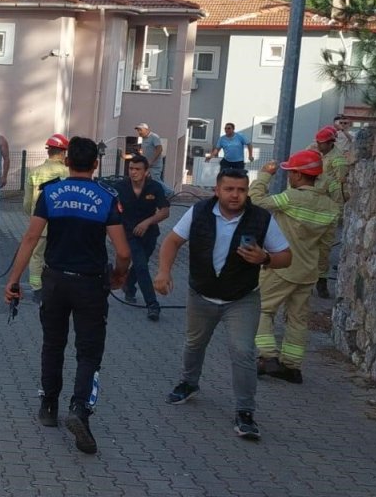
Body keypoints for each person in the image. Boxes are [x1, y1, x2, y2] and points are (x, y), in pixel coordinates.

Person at [4, 136, 130, 455]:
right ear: (96, 164)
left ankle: (48, 406)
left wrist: (13, 281)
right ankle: (80, 410)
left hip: (55, 281)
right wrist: (118, 275)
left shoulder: (52, 193)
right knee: (88, 353)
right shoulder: (105, 198)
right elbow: (124, 252)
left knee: (53, 344)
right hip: (90, 285)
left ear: (67, 161)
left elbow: (32, 237)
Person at [153, 169, 291, 441]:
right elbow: (172, 240)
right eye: (229, 189)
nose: (235, 195)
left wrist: (264, 259)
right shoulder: (199, 212)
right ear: (217, 190)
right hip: (201, 294)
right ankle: (189, 383)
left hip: (242, 298)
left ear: (247, 192)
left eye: (241, 190)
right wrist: (163, 272)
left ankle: (245, 412)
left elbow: (285, 257)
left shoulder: (261, 219)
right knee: (194, 343)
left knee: (242, 351)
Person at [249, 150, 340, 384]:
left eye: (291, 172)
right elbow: (327, 244)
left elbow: (256, 201)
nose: (289, 176)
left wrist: (264, 176)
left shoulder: (290, 198)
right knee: (298, 320)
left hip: (281, 267)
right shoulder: (330, 207)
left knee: (262, 309)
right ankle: (292, 367)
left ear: (299, 175)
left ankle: (268, 358)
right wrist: (320, 272)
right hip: (307, 271)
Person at [113, 154, 171, 321]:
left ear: (146, 171)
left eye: (137, 169)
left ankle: (129, 287)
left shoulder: (155, 188)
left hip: (150, 234)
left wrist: (147, 222)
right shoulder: (120, 187)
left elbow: (165, 211)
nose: (133, 172)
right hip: (129, 233)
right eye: (131, 168)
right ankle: (152, 305)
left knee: (141, 265)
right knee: (141, 266)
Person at [22, 134, 70, 302]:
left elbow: (27, 203)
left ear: (48, 152)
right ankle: (58, 288)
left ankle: (37, 289)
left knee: (36, 256)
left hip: (40, 224)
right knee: (60, 255)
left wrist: (34, 217)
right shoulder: (68, 173)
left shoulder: (35, 172)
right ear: (63, 153)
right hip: (63, 226)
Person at [313, 126, 348, 298]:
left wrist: (337, 215)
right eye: (317, 142)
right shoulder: (315, 151)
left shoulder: (338, 160)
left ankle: (322, 283)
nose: (318, 146)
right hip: (311, 205)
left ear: (330, 143)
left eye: (321, 143)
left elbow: (340, 189)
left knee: (323, 251)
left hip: (326, 209)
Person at [134, 123, 174, 198]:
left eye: (140, 130)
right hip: (148, 164)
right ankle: (150, 194)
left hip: (155, 165)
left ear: (146, 130)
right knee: (146, 179)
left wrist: (151, 161)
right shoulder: (143, 139)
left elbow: (159, 149)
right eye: (138, 130)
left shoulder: (154, 137)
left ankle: (169, 192)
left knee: (155, 180)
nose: (139, 132)